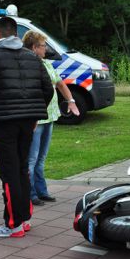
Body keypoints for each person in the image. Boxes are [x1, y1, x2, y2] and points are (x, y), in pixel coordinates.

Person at [0, 17, 54, 237]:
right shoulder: (32, 57)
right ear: (16, 33)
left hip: (4, 122)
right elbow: (47, 89)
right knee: (22, 169)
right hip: (27, 122)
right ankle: (23, 218)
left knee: (9, 173)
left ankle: (13, 224)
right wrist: (35, 115)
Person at [22, 30, 79, 206]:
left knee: (41, 158)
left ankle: (41, 191)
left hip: (50, 117)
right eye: (42, 46)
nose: (45, 49)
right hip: (37, 119)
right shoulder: (26, 65)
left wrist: (71, 101)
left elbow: (60, 84)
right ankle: (30, 194)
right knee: (31, 159)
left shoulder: (47, 64)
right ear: (33, 48)